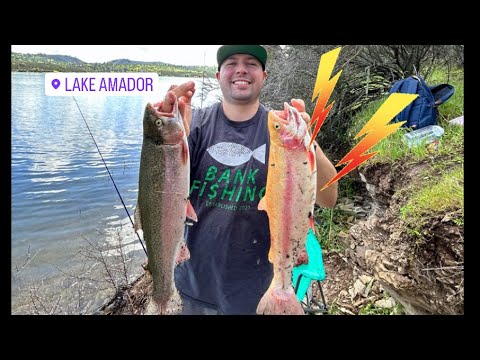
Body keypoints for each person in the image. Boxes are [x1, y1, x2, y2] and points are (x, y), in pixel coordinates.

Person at [156, 45, 338, 315]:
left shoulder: (281, 131)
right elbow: (162, 192)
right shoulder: (194, 125)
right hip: (194, 282)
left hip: (259, 289)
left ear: (264, 75)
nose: (241, 69)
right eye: (232, 62)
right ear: (218, 75)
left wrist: (307, 142)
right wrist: (165, 136)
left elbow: (329, 198)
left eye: (251, 63)